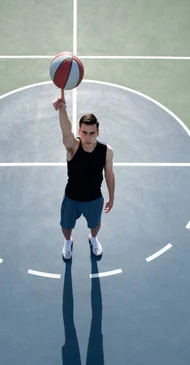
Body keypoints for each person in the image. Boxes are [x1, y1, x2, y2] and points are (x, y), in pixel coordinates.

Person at [53, 89, 115, 260]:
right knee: (66, 226)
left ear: (98, 132)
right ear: (79, 131)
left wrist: (111, 197)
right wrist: (62, 109)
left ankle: (93, 238)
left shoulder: (106, 152)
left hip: (94, 198)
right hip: (72, 197)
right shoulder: (72, 147)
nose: (88, 137)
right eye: (85, 133)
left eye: (92, 133)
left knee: (95, 225)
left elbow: (109, 174)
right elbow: (66, 132)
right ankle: (68, 242)